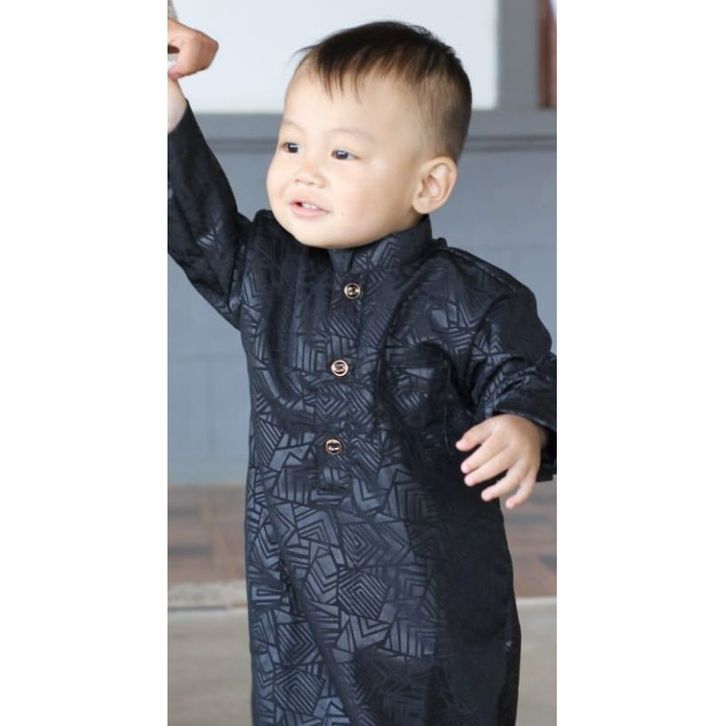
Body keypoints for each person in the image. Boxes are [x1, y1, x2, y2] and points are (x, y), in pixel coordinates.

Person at [168, 15, 556, 726]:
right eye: (291, 143)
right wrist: (167, 105)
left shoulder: (471, 296)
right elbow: (200, 228)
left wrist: (523, 423)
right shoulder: (267, 274)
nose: (304, 169)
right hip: (297, 609)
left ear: (428, 184)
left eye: (342, 152)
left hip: (427, 601)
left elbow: (526, 373)